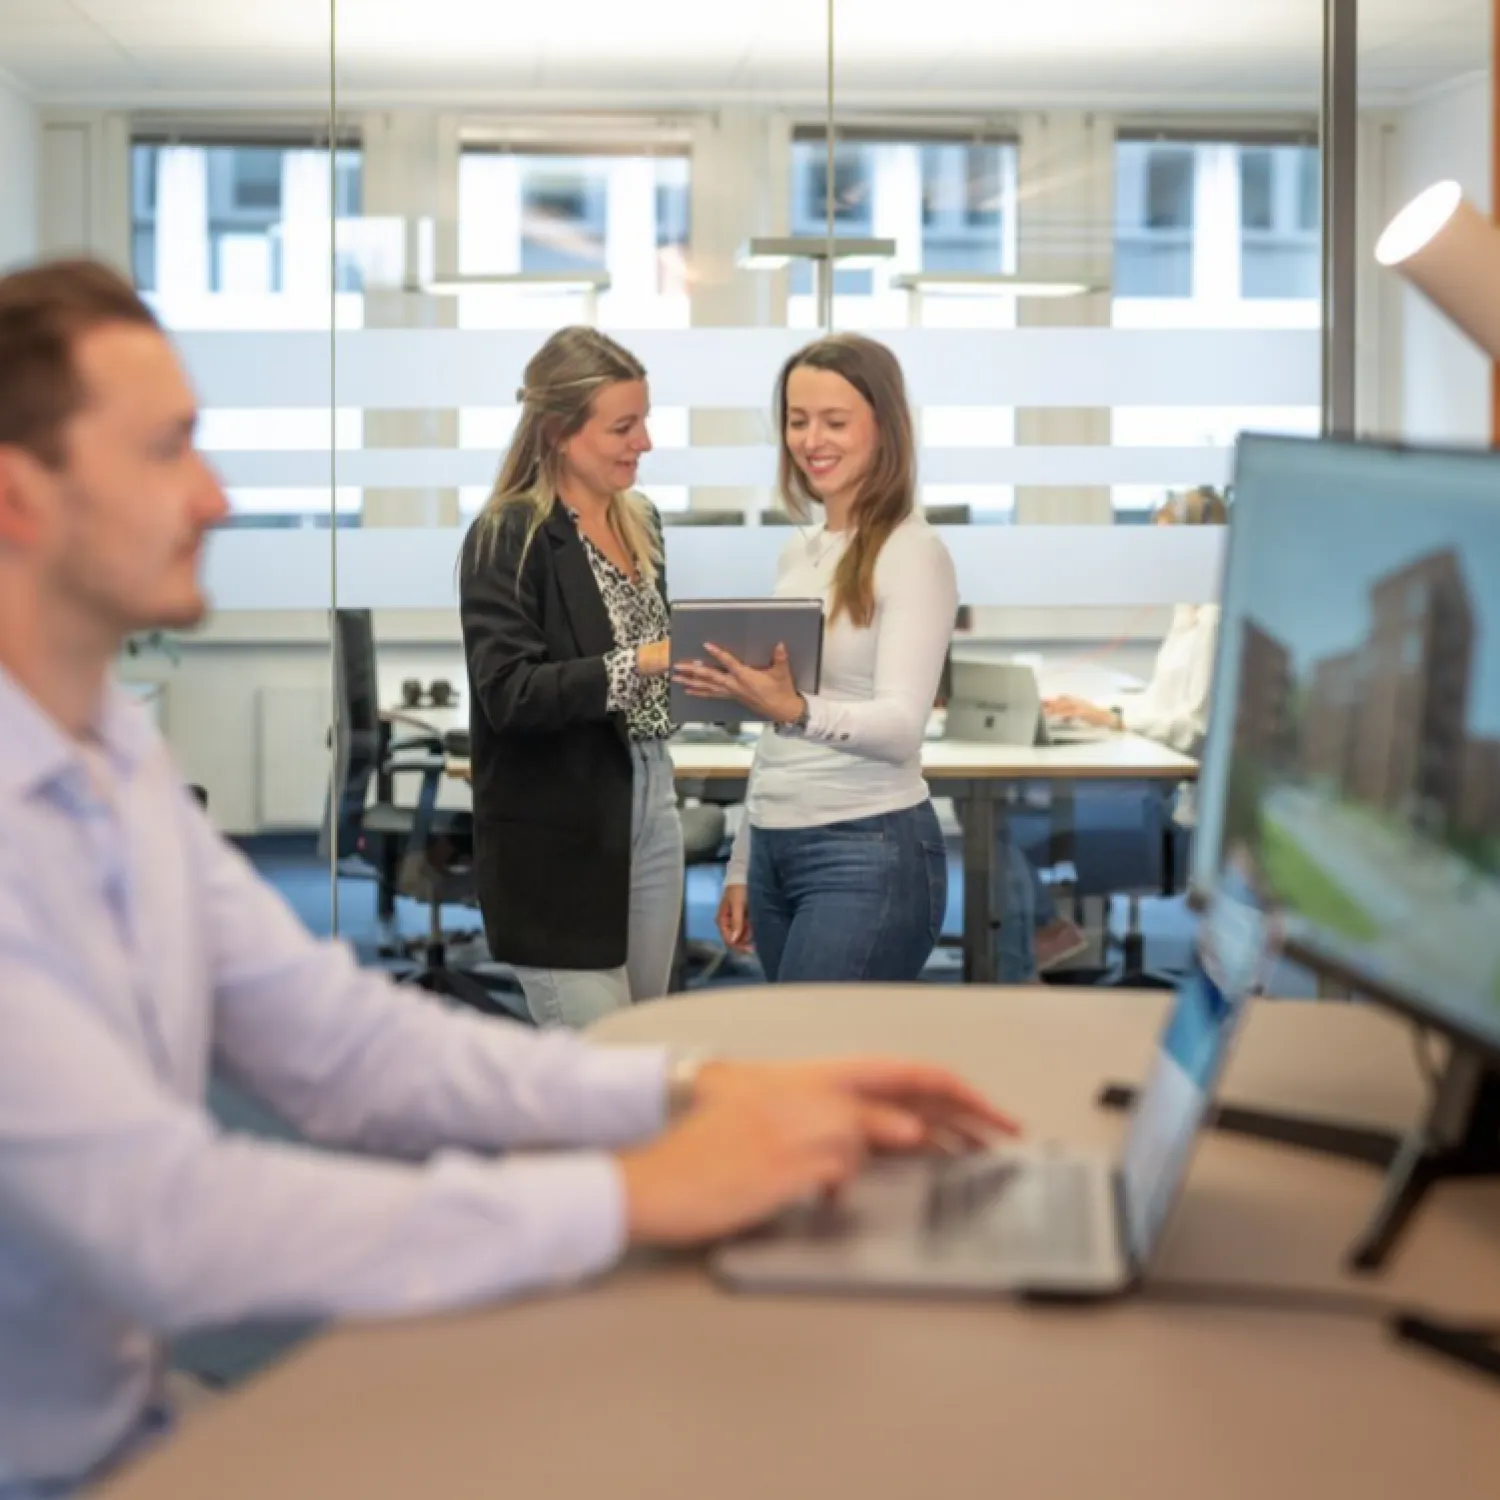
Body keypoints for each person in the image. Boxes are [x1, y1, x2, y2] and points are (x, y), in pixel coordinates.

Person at [0, 260, 1019, 1497]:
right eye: (168, 452)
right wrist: (628, 1193)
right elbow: (171, 1224)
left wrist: (694, 1088)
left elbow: (347, 1045)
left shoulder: (117, 762)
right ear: (20, 500)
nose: (215, 496)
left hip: (142, 1411)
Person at [675, 334, 957, 984]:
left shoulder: (914, 553)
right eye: (798, 421)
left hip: (867, 848)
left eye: (835, 421)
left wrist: (797, 709)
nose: (811, 440)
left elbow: (900, 728)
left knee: (815, 1058)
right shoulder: (798, 555)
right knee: (801, 1055)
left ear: (885, 428)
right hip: (777, 845)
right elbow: (776, 733)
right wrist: (745, 862)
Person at [458, 327, 679, 1028]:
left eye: (643, 421)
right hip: (558, 825)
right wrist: (643, 663)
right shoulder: (508, 535)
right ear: (557, 430)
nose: (643, 441)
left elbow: (650, 681)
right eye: (623, 425)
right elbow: (509, 694)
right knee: (598, 1053)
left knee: (648, 1044)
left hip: (650, 799)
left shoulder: (641, 522)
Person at [1042, 485, 1227, 828]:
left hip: (1183, 802)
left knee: (1054, 816)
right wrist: (1093, 708)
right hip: (1164, 785)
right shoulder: (1188, 613)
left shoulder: (1214, 624)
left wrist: (1113, 719)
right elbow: (1160, 703)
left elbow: (1195, 731)